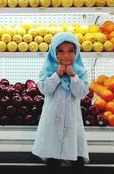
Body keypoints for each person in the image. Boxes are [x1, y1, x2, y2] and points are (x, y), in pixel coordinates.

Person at [32, 32, 90, 171]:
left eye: (71, 51)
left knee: (75, 155)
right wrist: (57, 74)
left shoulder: (80, 71)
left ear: (76, 52)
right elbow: (44, 89)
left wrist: (73, 75)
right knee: (52, 158)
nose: (66, 55)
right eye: (60, 51)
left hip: (71, 121)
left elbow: (81, 93)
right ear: (53, 52)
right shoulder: (48, 70)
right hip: (52, 119)